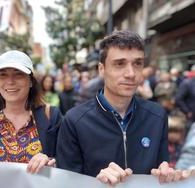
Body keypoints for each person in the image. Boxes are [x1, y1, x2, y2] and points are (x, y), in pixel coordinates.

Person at [56, 30, 191, 186]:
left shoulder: (157, 115)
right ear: (102, 69)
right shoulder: (74, 120)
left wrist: (166, 174)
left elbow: (162, 166)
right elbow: (67, 183)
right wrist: (97, 183)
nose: (131, 73)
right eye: (120, 64)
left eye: (137, 63)